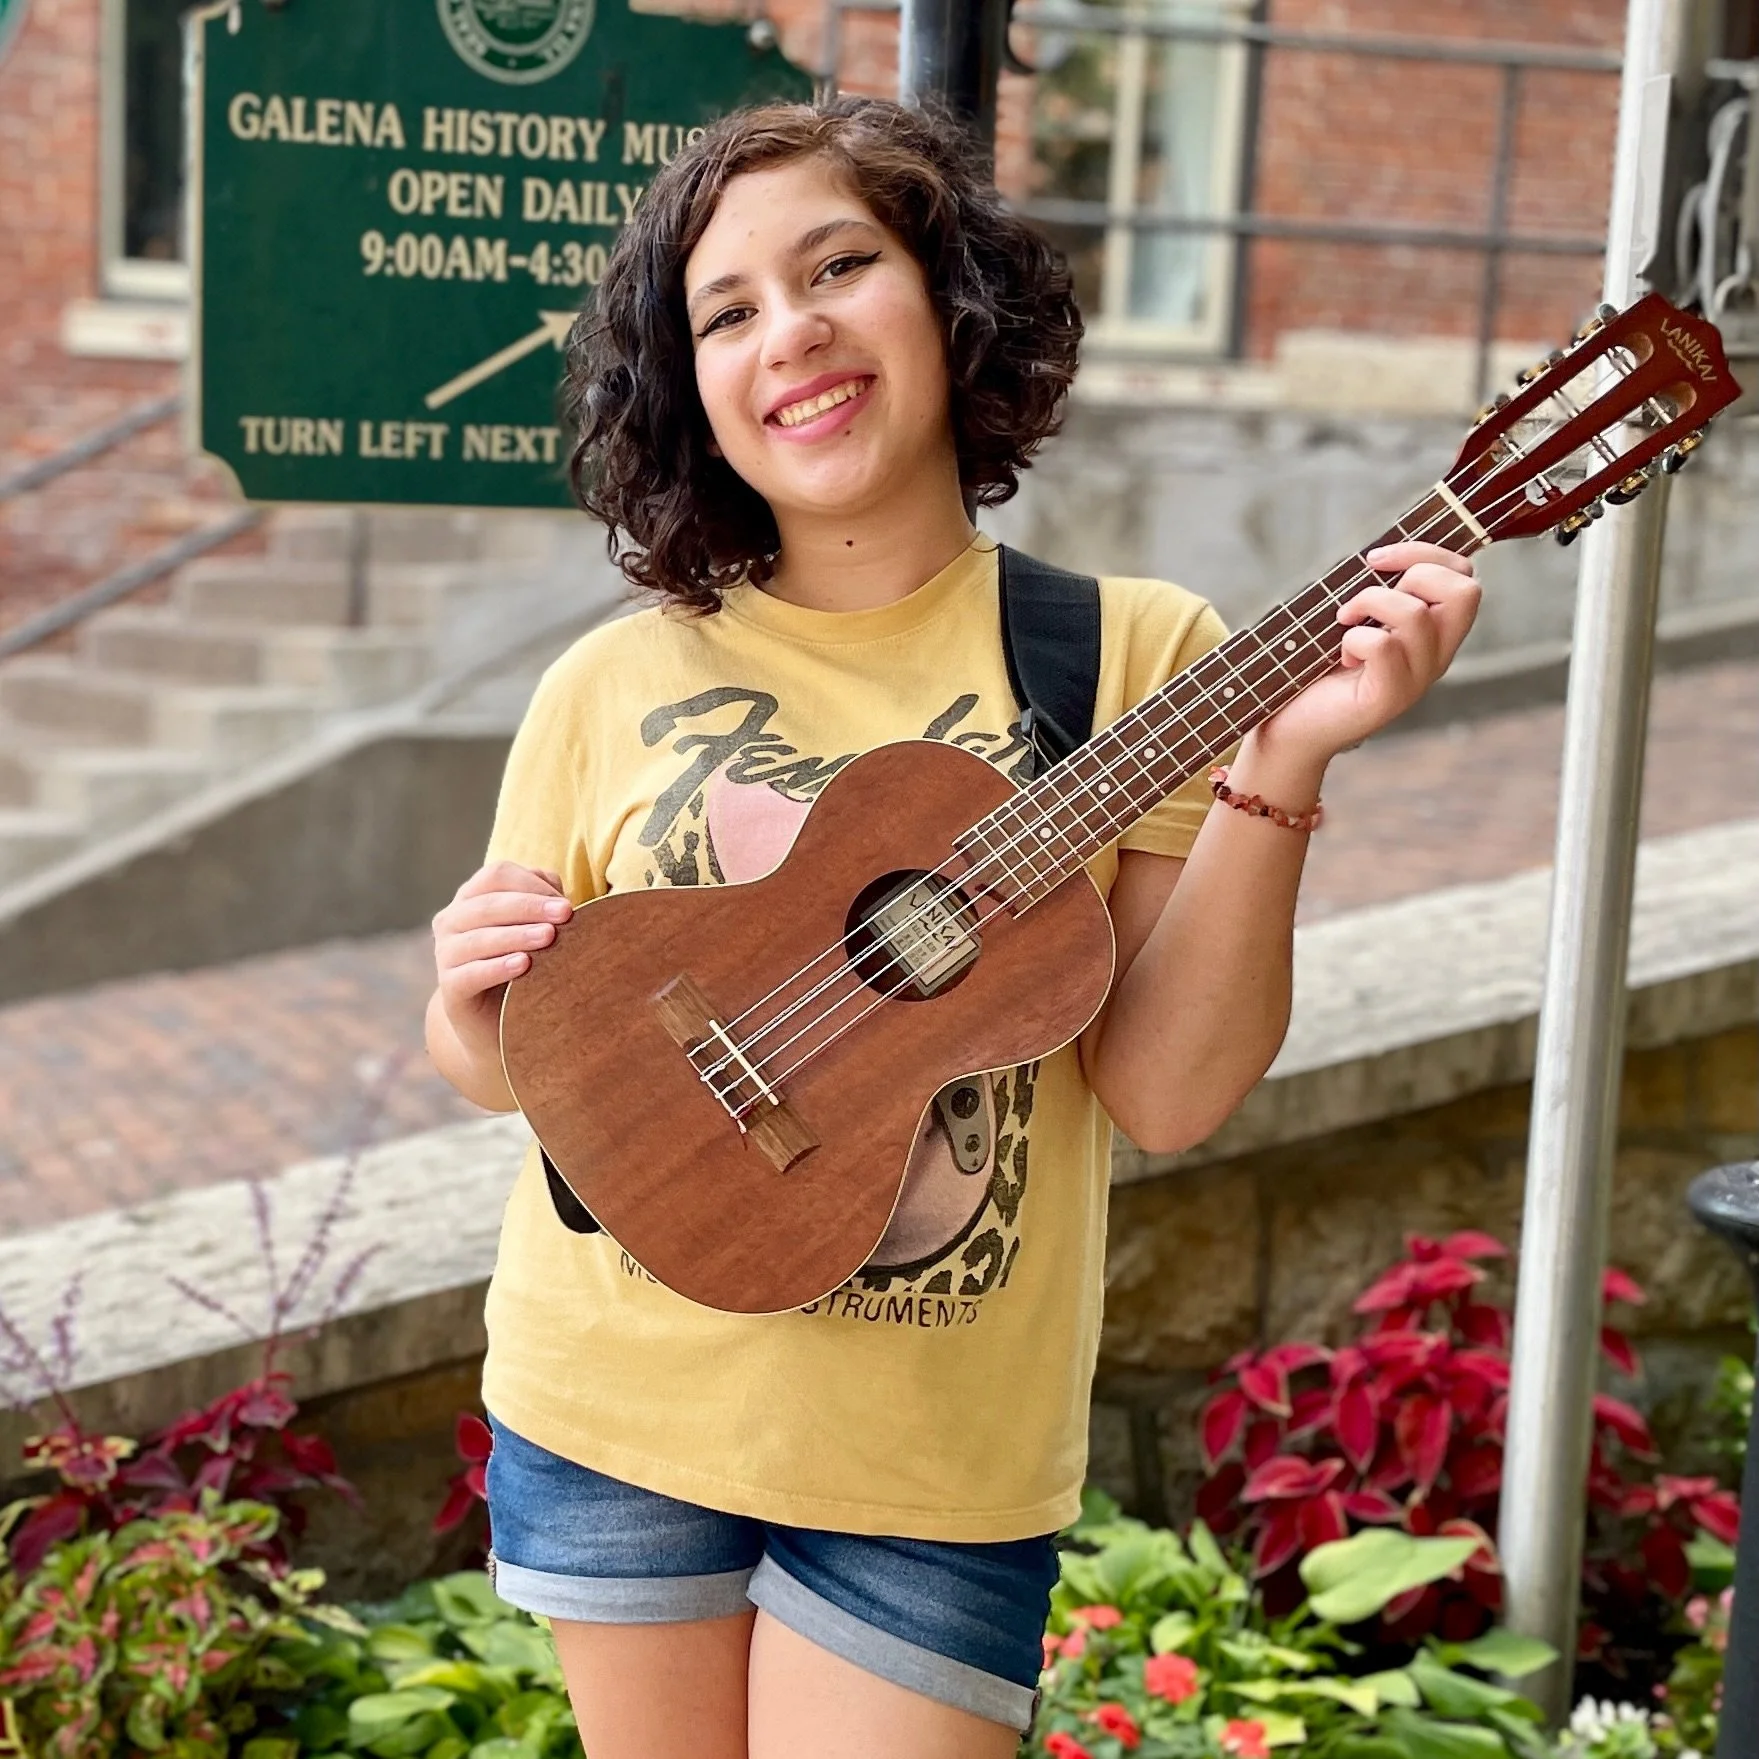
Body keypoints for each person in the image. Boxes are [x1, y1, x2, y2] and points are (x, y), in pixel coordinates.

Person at [425, 96, 1480, 1759]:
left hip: (928, 1462)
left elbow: (1165, 1091)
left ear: (948, 298)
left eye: (840, 263)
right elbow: (496, 1063)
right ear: (686, 385)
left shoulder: (1131, 658)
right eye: (728, 310)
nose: (795, 331)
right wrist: (468, 997)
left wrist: (1281, 765)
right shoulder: (612, 679)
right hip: (612, 1404)